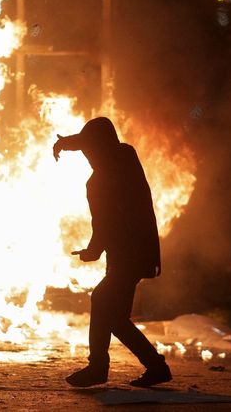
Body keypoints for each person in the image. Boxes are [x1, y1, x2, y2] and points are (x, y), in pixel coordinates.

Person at [53, 117, 172, 388]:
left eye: (90, 150)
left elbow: (104, 223)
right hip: (136, 253)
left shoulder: (99, 182)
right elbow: (100, 140)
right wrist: (67, 143)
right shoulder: (127, 156)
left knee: (102, 300)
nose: (88, 155)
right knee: (116, 317)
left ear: (99, 148)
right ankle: (154, 367)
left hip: (128, 257)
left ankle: (99, 368)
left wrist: (92, 251)